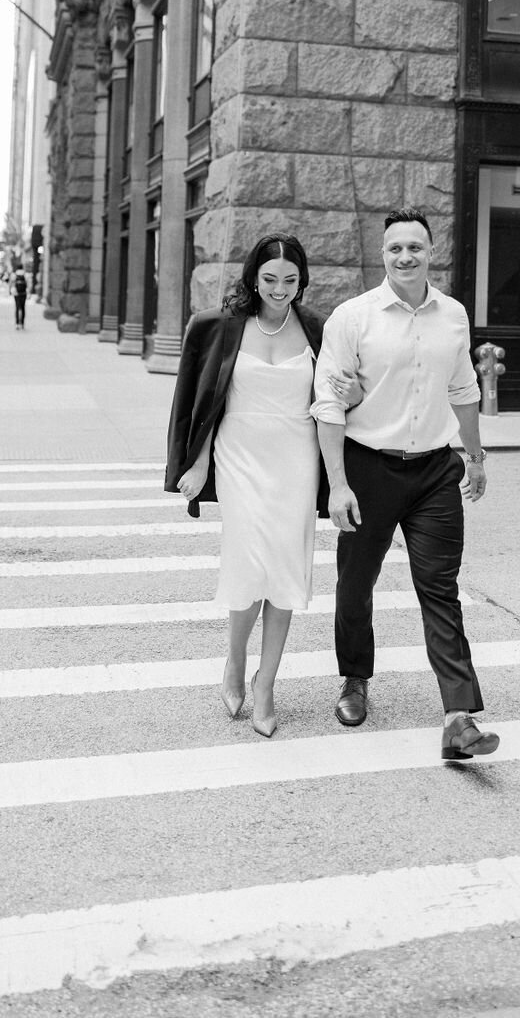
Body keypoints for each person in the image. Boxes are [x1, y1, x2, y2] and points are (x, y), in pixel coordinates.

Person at [311, 207, 498, 763]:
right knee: (356, 583)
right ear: (383, 254)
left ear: (430, 251)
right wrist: (338, 485)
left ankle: (459, 717)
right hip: (369, 467)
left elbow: (464, 389)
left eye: (415, 247)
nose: (405, 256)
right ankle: (354, 679)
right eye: (395, 248)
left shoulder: (454, 315)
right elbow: (328, 405)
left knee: (440, 588)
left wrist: (477, 456)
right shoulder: (353, 317)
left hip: (436, 470)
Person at [165, 233, 355, 738]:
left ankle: (266, 682)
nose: (279, 289)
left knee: (286, 571)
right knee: (249, 563)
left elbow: (339, 396)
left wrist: (352, 391)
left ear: (301, 281)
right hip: (238, 456)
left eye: (290, 280)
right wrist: (199, 464)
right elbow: (210, 401)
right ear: (253, 277)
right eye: (270, 279)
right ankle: (233, 661)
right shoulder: (226, 326)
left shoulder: (318, 329)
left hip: (296, 456)